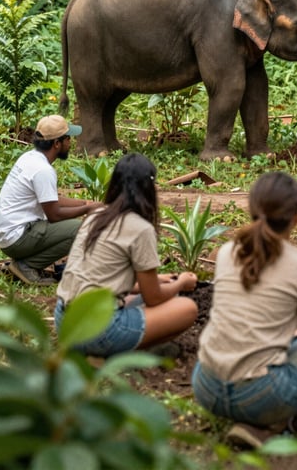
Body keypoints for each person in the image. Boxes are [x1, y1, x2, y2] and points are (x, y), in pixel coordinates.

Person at [192, 171, 297, 449]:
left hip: (206, 386)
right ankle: (272, 424)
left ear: (252, 209)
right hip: (258, 393)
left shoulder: (227, 253)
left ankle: (260, 415)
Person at [54, 153, 198, 357]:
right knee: (186, 307)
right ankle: (127, 354)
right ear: (149, 188)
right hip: (99, 332)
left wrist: (159, 279)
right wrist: (181, 282)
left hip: (66, 323)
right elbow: (154, 297)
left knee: (158, 293)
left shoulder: (96, 216)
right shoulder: (140, 228)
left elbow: (104, 278)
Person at [0, 114, 103, 285]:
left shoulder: (30, 158)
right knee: (82, 230)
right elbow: (54, 214)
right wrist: (86, 210)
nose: (71, 142)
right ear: (57, 143)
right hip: (18, 237)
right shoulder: (43, 170)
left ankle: (27, 263)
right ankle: (27, 265)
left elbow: (52, 200)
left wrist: (86, 203)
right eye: (68, 138)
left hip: (9, 233)